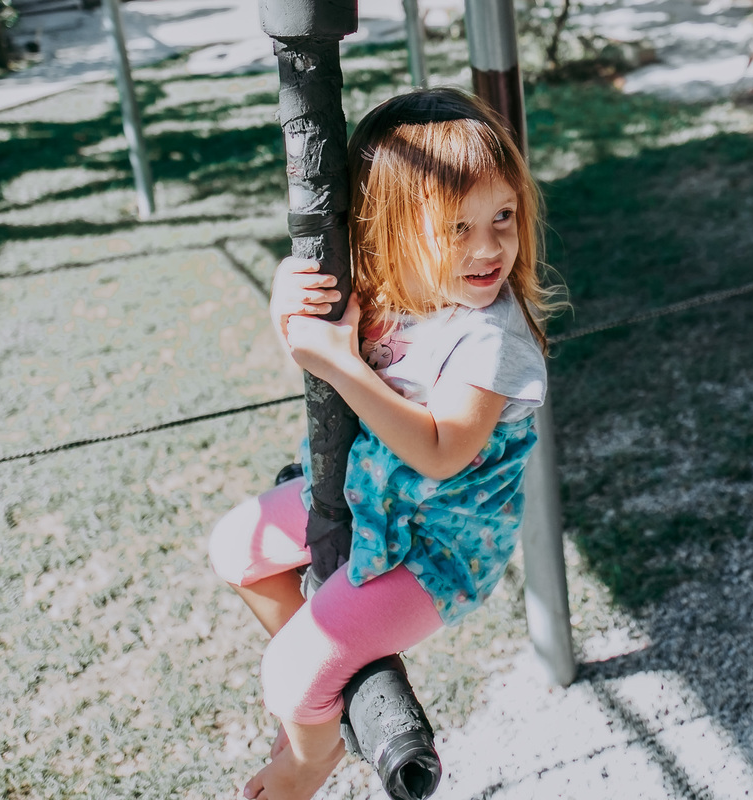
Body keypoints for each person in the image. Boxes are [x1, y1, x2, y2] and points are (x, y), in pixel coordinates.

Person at [208, 87, 562, 800]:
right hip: (367, 495)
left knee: (288, 675)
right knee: (236, 548)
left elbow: (440, 451)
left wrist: (339, 364)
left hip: (435, 551)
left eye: (502, 217)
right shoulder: (392, 288)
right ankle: (323, 695)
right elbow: (315, 341)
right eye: (456, 228)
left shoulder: (490, 339)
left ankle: (308, 759)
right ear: (393, 232)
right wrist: (287, 301)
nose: (488, 248)